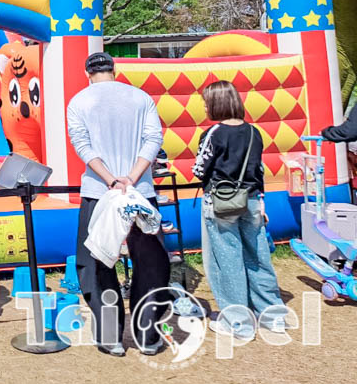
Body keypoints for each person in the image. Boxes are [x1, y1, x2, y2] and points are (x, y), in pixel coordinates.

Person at [68, 52, 169, 357]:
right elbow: (154, 139)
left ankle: (110, 335)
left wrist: (112, 179)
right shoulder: (141, 98)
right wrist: (132, 177)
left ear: (88, 72)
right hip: (140, 190)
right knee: (150, 260)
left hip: (99, 191)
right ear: (114, 70)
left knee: (95, 260)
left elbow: (82, 146)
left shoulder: (79, 101)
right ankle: (147, 334)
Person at [193, 80, 286, 341]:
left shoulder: (213, 133)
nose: (204, 105)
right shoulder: (254, 132)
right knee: (258, 256)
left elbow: (200, 169)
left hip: (221, 201)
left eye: (206, 101)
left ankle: (238, 322)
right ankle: (273, 316)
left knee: (227, 260)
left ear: (215, 104)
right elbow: (258, 169)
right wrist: (262, 197)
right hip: (253, 199)